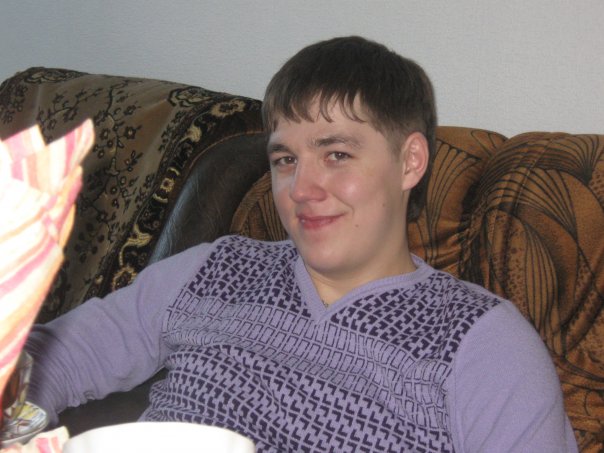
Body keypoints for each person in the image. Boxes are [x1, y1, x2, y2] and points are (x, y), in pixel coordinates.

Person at [25, 36, 577, 452]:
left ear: (410, 161)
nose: (301, 189)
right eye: (286, 159)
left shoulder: (482, 344)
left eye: (336, 154)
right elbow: (52, 360)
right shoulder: (214, 269)